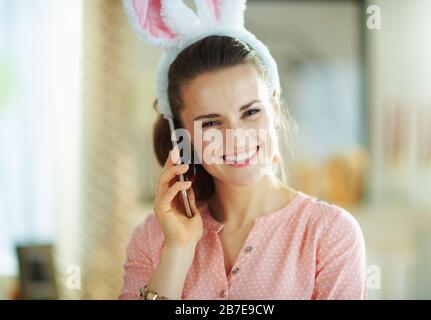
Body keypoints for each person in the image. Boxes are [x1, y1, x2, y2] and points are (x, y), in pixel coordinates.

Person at [119, 0, 367, 300]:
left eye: (250, 112)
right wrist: (178, 249)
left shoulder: (329, 233)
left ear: (274, 109)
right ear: (182, 136)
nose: (236, 138)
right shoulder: (153, 237)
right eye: (211, 123)